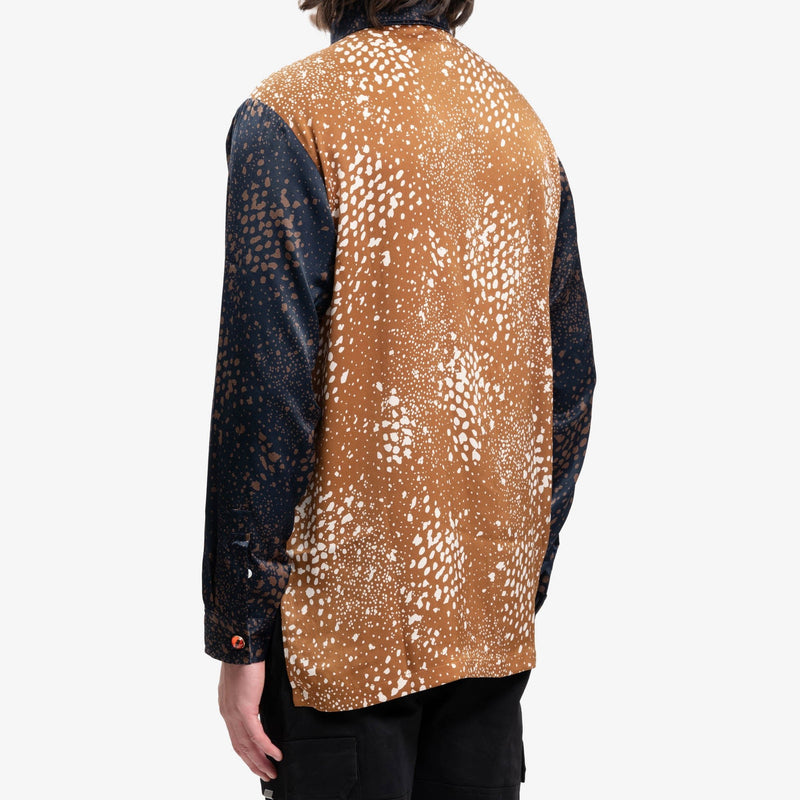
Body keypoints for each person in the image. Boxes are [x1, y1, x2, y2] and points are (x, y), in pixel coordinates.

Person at [201, 0, 597, 797]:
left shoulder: (294, 114)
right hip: (488, 635)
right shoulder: (520, 126)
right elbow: (571, 387)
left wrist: (239, 630)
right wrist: (516, 582)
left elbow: (266, 392)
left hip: (341, 641)